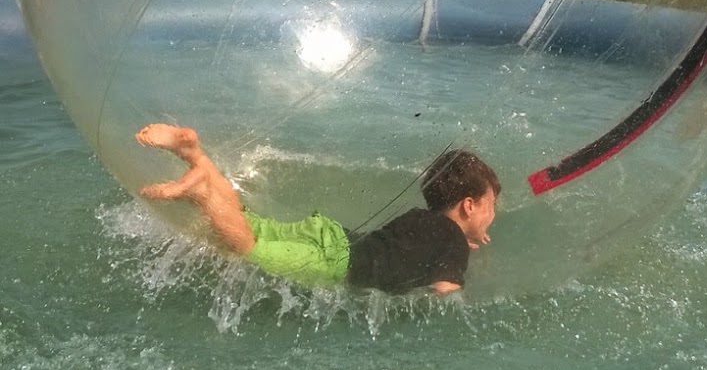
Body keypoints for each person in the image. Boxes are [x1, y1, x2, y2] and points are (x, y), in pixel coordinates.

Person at [135, 124, 500, 296]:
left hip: (331, 235)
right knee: (247, 246)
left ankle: (194, 154)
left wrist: (459, 243)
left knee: (251, 222)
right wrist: (456, 270)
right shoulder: (451, 244)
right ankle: (202, 192)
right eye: (491, 206)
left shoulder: (424, 220)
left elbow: (418, 246)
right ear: (468, 206)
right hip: (335, 262)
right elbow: (444, 290)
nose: (493, 216)